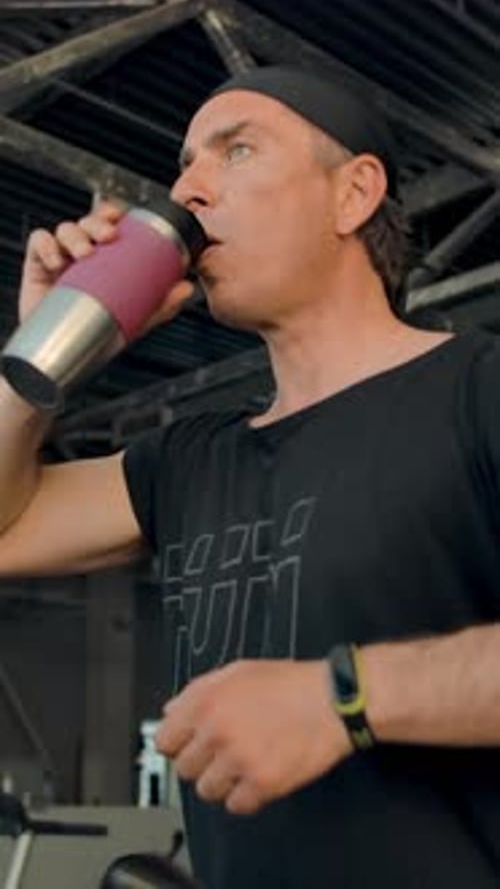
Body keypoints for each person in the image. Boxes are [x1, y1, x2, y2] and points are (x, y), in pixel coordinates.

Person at [1, 65, 500, 889]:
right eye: (184, 164)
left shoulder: (476, 390)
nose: (187, 190)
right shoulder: (187, 460)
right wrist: (42, 353)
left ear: (354, 195)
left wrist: (349, 697)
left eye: (236, 151)